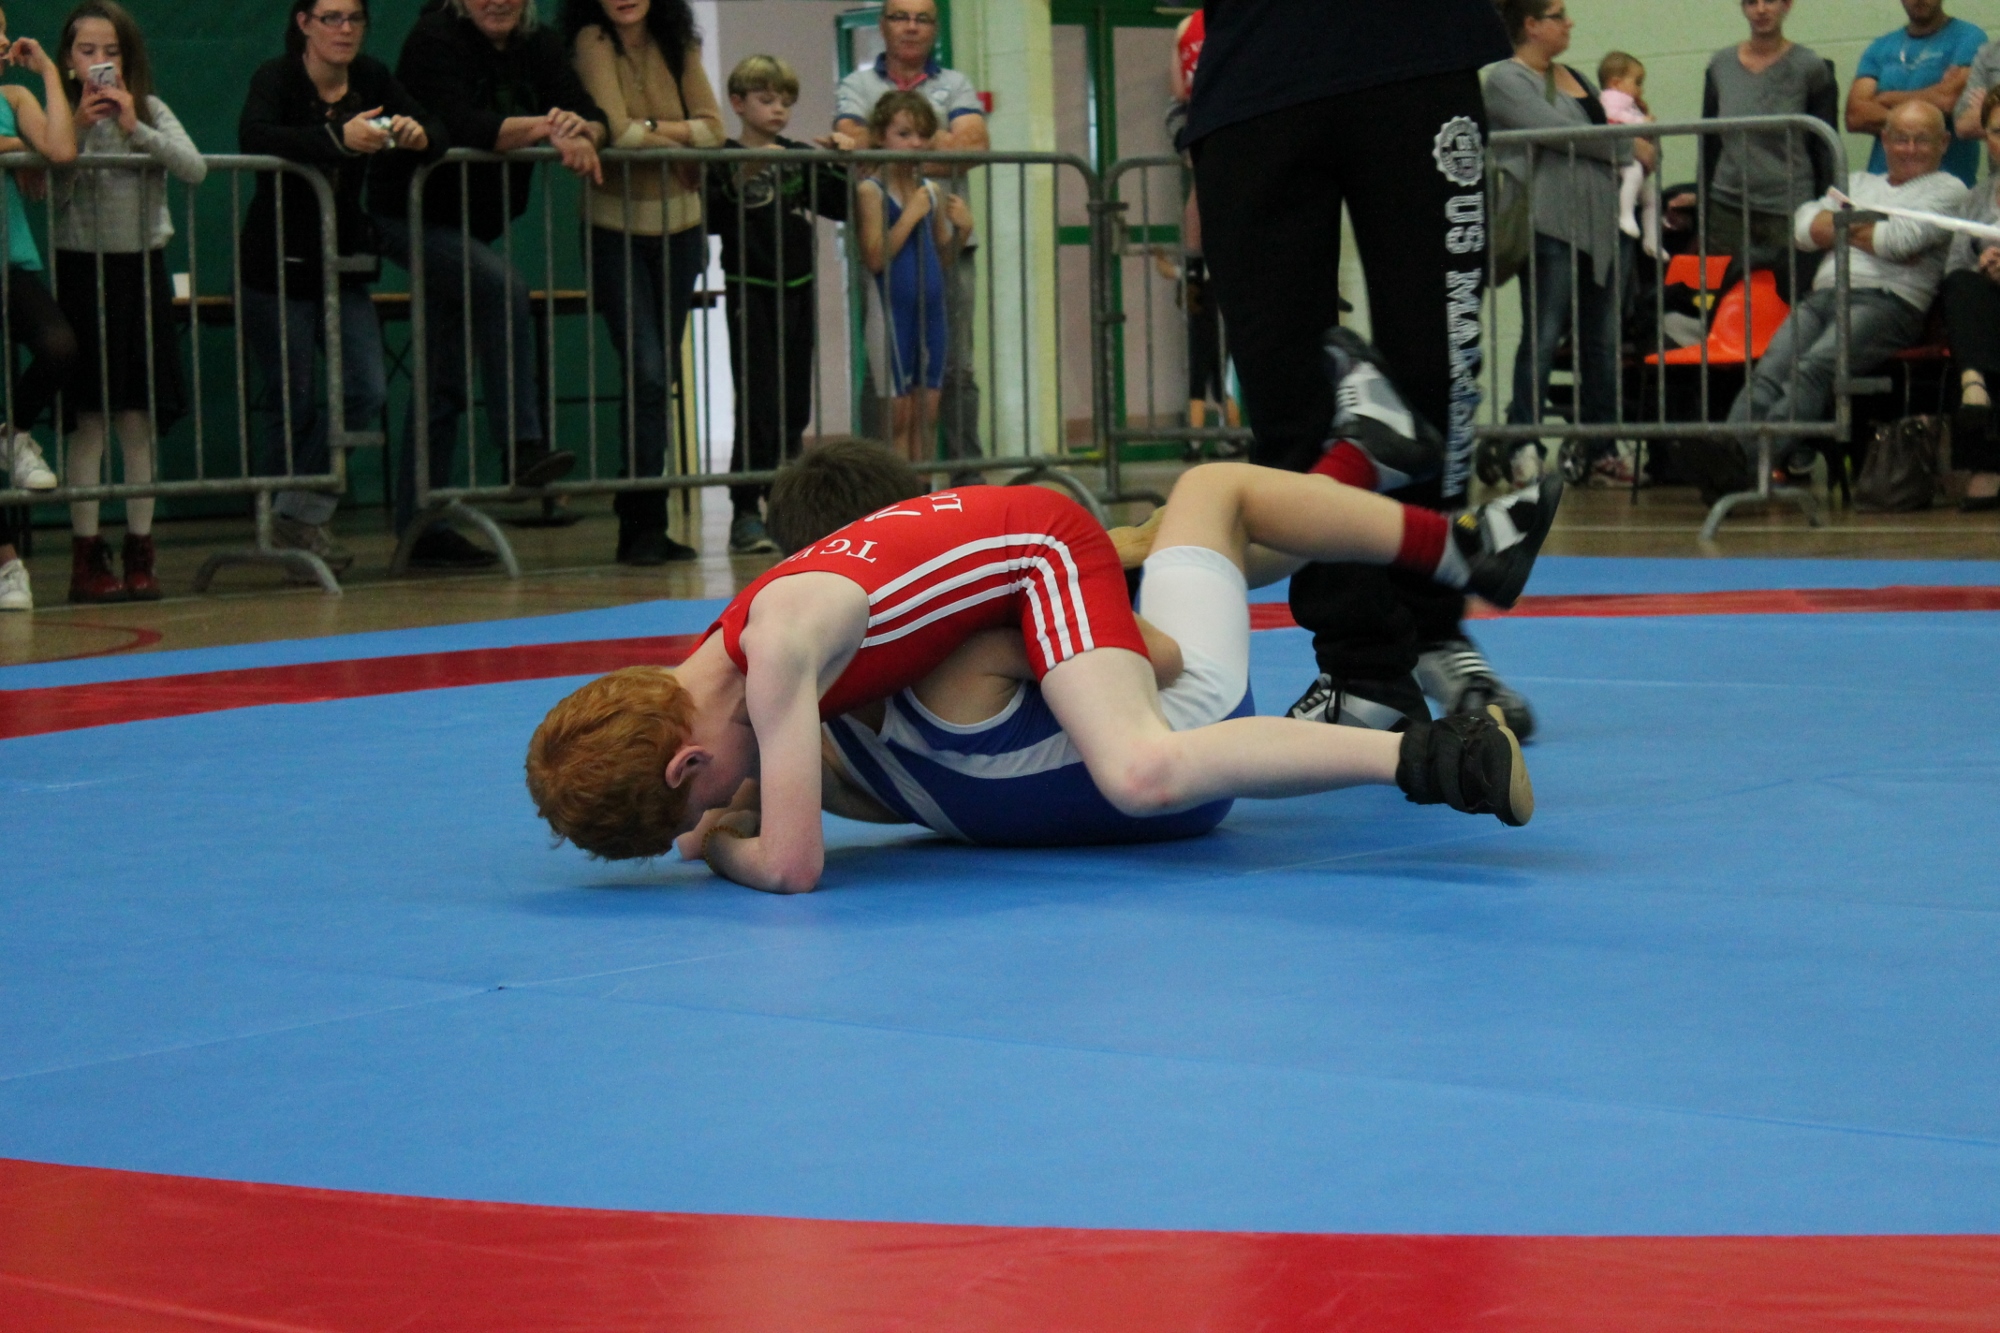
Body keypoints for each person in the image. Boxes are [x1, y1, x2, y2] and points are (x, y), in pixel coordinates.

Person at [524, 459, 1564, 891]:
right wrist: (709, 813)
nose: (714, 805)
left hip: (1037, 551)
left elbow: (793, 866)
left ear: (685, 761)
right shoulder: (712, 672)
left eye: (695, 797)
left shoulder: (777, 658)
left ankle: (1430, 751)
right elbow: (746, 789)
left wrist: (717, 845)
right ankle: (1415, 519)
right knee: (1189, 518)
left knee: (1140, 766)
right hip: (1019, 564)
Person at [1184, 0, 1536, 744]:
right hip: (1255, 77)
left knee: (1438, 371)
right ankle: (1362, 667)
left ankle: (1433, 629)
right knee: (1290, 397)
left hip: (1417, 51)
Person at [376, 0, 601, 569]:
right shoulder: (433, 38)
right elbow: (460, 125)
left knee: (442, 378)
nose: (497, 1)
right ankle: (522, 446)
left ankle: (420, 527)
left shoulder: (539, 43)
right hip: (409, 213)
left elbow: (590, 112)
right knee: (502, 288)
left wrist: (583, 130)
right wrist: (549, 126)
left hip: (475, 224)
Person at [238, 0, 441, 588]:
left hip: (342, 264)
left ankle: (296, 514)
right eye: (331, 17)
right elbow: (253, 134)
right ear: (304, 23)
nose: (345, 29)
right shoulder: (278, 77)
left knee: (366, 386)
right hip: (276, 265)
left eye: (354, 18)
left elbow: (435, 128)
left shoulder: (372, 76)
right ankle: (279, 526)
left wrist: (418, 133)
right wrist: (335, 137)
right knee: (294, 395)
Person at [1725, 100, 1964, 478]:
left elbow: (1897, 242)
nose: (1909, 149)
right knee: (1769, 371)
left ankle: (1745, 464)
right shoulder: (1858, 182)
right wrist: (1870, 226)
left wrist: (1837, 224)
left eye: (1922, 140)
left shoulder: (1950, 189)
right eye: (1901, 138)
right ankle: (1726, 455)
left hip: (1889, 302)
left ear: (1944, 143)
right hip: (1824, 295)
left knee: (1813, 368)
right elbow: (1802, 229)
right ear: (1884, 140)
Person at [48, 0, 196, 603]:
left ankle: (141, 546)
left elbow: (194, 168)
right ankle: (86, 553)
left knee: (137, 418)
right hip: (81, 272)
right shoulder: (59, 120)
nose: (99, 62)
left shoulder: (150, 109)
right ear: (68, 60)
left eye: (110, 52)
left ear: (127, 59)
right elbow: (51, 193)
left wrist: (136, 126)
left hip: (140, 269)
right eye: (87, 51)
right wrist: (77, 130)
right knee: (89, 421)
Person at [566, 0, 721, 567]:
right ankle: (639, 519)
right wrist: (679, 142)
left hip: (681, 227)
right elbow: (615, 130)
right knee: (647, 370)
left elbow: (715, 129)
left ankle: (646, 521)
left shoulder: (679, 40)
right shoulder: (593, 40)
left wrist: (651, 130)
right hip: (615, 228)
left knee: (658, 378)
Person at [705, 54, 852, 555]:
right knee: (758, 403)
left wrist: (842, 162)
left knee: (793, 404)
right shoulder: (723, 157)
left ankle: (786, 508)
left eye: (785, 102)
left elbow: (840, 203)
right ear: (738, 103)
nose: (778, 110)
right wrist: (742, 175)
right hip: (750, 289)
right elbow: (711, 216)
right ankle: (745, 510)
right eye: (766, 100)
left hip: (798, 288)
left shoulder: (797, 155)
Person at [833, 0, 987, 473]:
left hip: (931, 285)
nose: (911, 27)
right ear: (882, 25)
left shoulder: (954, 84)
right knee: (889, 397)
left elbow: (975, 147)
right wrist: (940, 150)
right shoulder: (858, 88)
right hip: (891, 292)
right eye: (900, 16)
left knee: (943, 387)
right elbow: (853, 143)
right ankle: (877, 483)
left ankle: (948, 486)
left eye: (923, 19)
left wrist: (961, 229)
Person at [1486, 2, 1631, 472]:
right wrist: (1626, 145)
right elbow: (1560, 132)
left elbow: (1589, 134)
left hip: (1599, 227)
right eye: (1558, 14)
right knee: (1544, 335)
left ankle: (1602, 445)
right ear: (1531, 25)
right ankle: (1522, 443)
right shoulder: (1506, 81)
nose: (1569, 23)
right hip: (1550, 226)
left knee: (1601, 342)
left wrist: (1611, 143)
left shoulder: (1577, 77)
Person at [1667, 0, 1838, 309]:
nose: (1760, 10)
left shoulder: (1810, 67)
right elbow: (1710, 141)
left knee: (1785, 301)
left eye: (1769, 1)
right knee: (1721, 301)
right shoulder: (1720, 65)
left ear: (1786, 5)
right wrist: (1703, 201)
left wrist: (1824, 205)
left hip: (1788, 205)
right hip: (1728, 205)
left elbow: (1824, 144)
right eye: (1751, 2)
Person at [0, 9, 80, 612]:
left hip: (10, 261)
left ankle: (14, 433)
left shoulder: (13, 96)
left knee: (59, 348)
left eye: (3, 30)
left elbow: (60, 149)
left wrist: (49, 71)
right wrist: (13, 150)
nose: (3, 40)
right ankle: (7, 564)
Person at [856, 91, 972, 466]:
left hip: (931, 314)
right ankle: (899, 495)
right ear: (880, 137)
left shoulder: (930, 192)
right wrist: (909, 215)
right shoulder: (871, 191)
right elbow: (875, 258)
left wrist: (963, 232)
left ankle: (923, 494)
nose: (916, 144)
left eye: (922, 135)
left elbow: (943, 258)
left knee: (927, 414)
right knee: (899, 416)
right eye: (904, 134)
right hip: (892, 314)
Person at [1849, 0, 1986, 187]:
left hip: (1945, 187)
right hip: (1885, 187)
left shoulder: (1969, 37)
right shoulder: (1880, 47)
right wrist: (1929, 109)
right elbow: (1856, 115)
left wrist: (1886, 98)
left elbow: (1948, 99)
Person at [1940, 87, 2000, 509]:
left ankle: (1987, 467)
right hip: (1987, 302)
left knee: (1980, 333)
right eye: (1996, 131)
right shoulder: (1977, 197)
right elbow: (1954, 265)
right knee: (1962, 284)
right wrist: (1986, 264)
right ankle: (1973, 381)